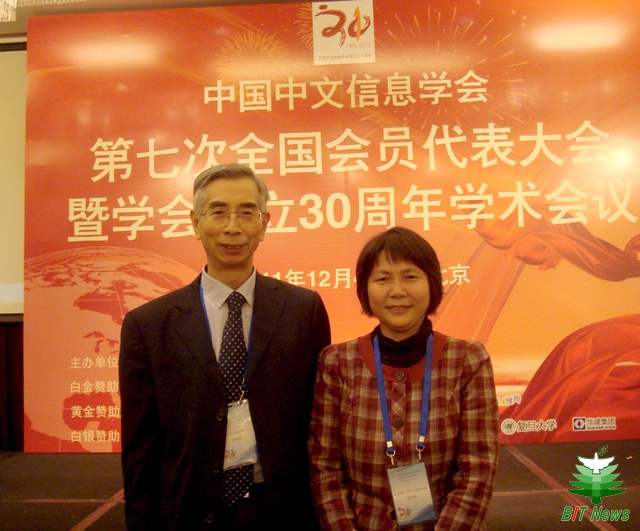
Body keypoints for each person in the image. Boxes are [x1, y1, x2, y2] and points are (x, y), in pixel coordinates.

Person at [119, 163, 331, 530]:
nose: (233, 227)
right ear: (195, 222)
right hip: (189, 510)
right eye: (218, 212)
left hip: (282, 509)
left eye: (247, 213)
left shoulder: (303, 310)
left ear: (264, 223)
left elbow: (320, 423)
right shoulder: (149, 324)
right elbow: (141, 445)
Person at [309, 227, 499, 530]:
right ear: (365, 289)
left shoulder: (468, 360)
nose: (397, 291)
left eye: (410, 277)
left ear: (432, 283)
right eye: (382, 279)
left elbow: (477, 472)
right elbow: (324, 468)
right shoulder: (337, 362)